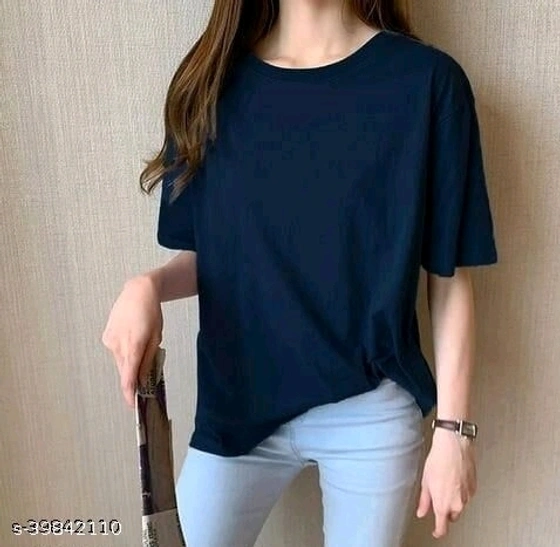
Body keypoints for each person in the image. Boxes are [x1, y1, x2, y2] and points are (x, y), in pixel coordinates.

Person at [102, 1, 498, 545]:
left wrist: (454, 432)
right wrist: (146, 286)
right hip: (237, 405)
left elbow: (448, 276)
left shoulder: (427, 84)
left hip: (369, 410)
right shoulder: (207, 86)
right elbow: (214, 256)